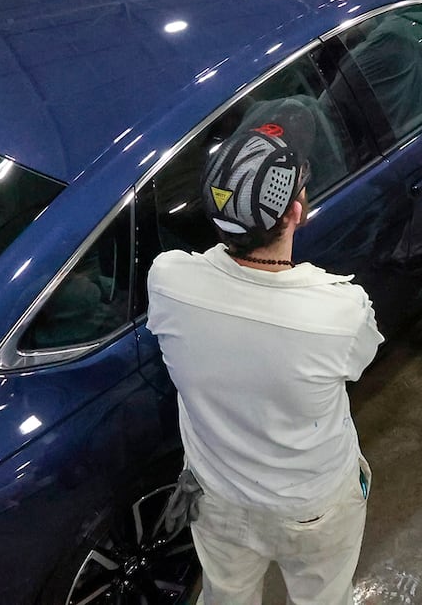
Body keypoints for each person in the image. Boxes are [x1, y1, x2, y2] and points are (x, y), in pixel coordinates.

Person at [146, 122, 381, 605]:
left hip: (216, 497)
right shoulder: (340, 309)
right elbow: (359, 362)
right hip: (311, 507)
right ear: (297, 212)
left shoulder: (167, 280)